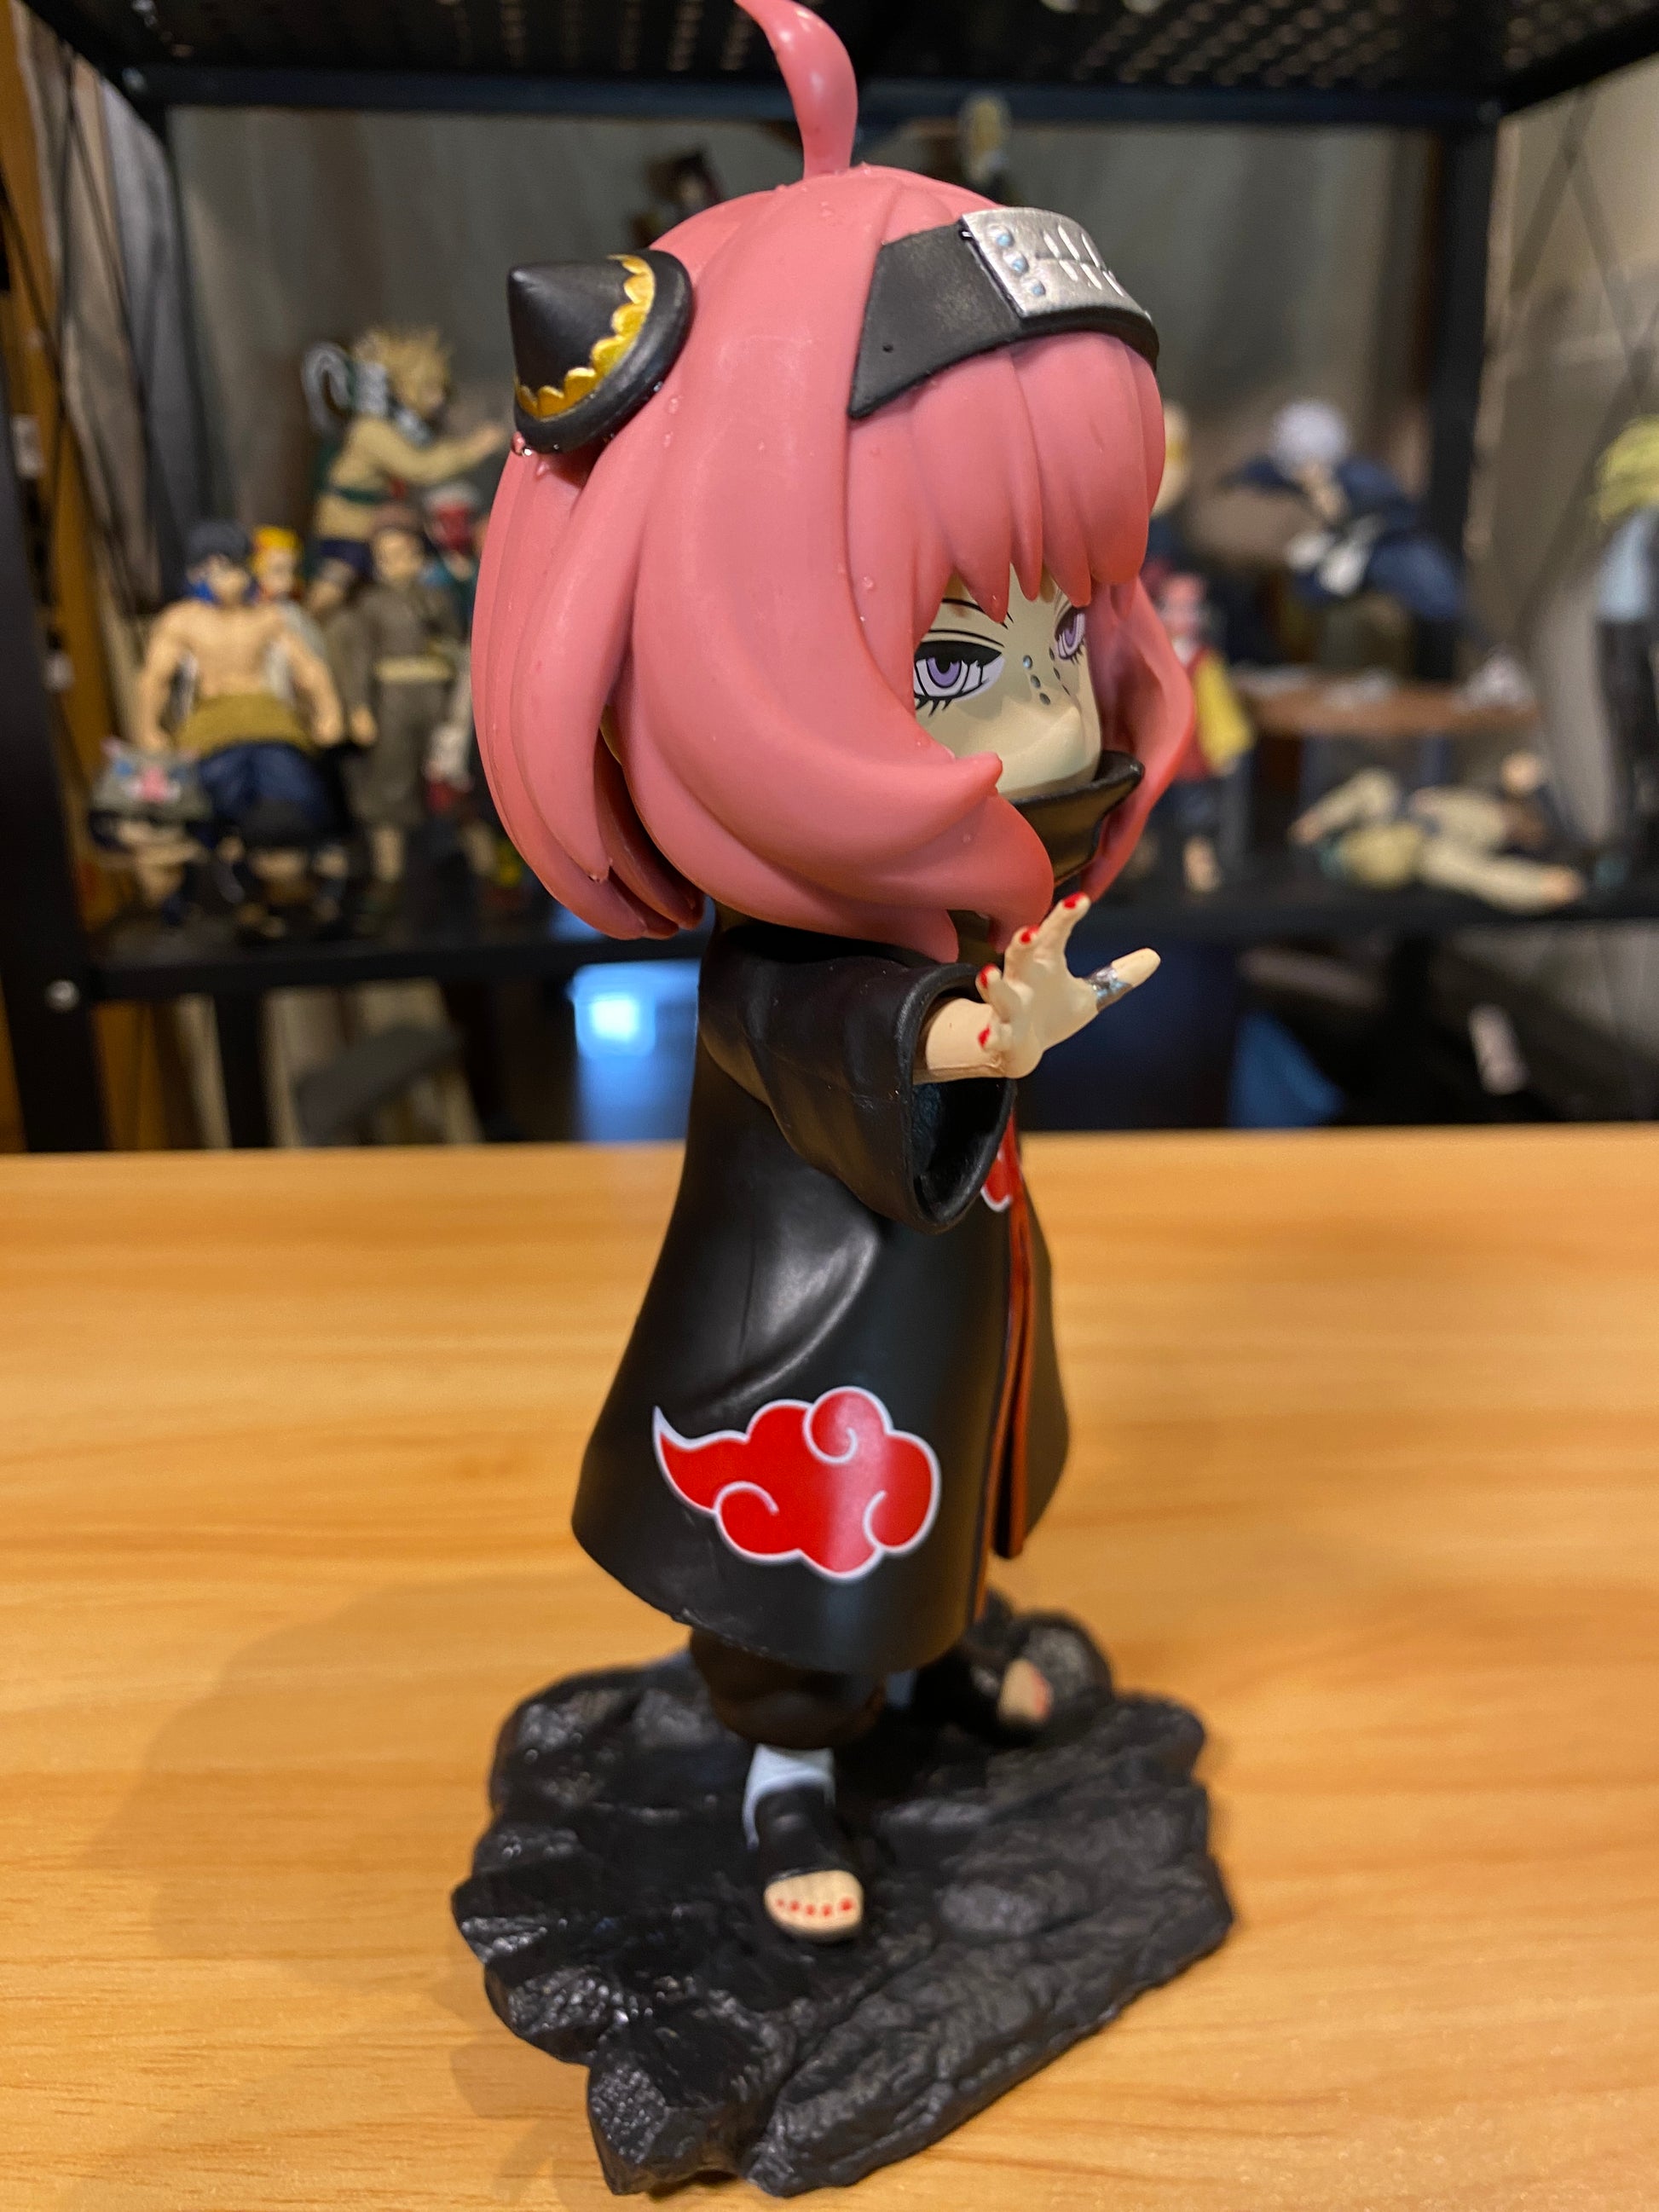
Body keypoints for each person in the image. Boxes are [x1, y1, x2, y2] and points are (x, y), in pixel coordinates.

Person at [474, 0, 1193, 1943]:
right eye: (958, 657)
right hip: (807, 1307)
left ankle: (939, 1657)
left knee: (951, 1469)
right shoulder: (789, 942)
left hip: (954, 1278)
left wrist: (999, 1017)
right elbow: (814, 1030)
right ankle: (789, 1762)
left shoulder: (1000, 852)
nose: (1049, 713)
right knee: (808, 1551)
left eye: (1063, 633)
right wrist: (971, 1031)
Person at [136, 520, 350, 934]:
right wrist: (148, 728)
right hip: (212, 723)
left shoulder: (267, 617)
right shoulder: (183, 621)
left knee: (297, 792)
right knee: (210, 802)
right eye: (213, 569)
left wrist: (329, 713)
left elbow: (309, 669)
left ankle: (305, 890)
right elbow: (154, 679)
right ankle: (230, 896)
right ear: (196, 572)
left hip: (270, 719)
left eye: (232, 567)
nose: (226, 579)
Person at [305, 328, 506, 617]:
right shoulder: (372, 430)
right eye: (429, 389)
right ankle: (308, 624)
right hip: (348, 523)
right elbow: (420, 467)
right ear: (405, 387)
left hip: (374, 521)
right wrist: (474, 448)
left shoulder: (399, 426)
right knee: (335, 582)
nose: (437, 399)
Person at [325, 506, 463, 912]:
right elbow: (358, 660)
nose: (396, 564)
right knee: (390, 784)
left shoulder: (437, 598)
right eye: (386, 556)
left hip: (435, 699)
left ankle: (448, 867)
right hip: (391, 703)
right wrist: (359, 708)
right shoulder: (370, 605)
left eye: (404, 553)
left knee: (442, 781)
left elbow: (456, 646)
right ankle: (390, 874)